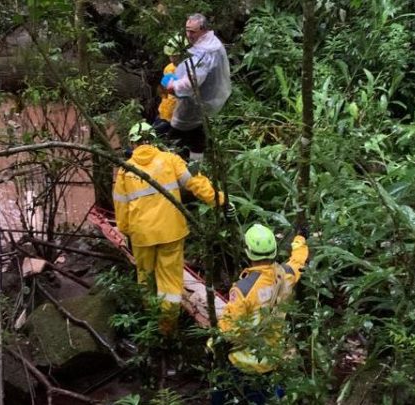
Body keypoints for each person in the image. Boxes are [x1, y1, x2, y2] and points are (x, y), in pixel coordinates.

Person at [113, 121, 235, 336]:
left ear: (133, 143)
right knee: (170, 283)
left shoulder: (125, 171)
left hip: (142, 236)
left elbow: (121, 208)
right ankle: (168, 328)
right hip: (171, 232)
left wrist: (126, 232)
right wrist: (221, 201)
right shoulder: (170, 160)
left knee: (146, 279)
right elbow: (196, 183)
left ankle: (151, 324)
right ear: (154, 139)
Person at [211, 224, 309, 404]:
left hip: (243, 363)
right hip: (271, 357)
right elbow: (298, 261)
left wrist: (211, 343)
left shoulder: (243, 289)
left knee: (220, 393)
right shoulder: (285, 275)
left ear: (248, 252)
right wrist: (300, 239)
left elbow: (230, 331)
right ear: (273, 251)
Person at [166, 13, 231, 161]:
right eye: (187, 30)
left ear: (203, 29)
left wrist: (173, 86)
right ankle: (197, 170)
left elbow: (193, 81)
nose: (189, 35)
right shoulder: (211, 42)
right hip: (206, 100)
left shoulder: (206, 52)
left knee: (175, 137)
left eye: (192, 31)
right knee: (196, 137)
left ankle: (178, 171)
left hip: (197, 101)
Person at [152, 35, 184, 135]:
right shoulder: (168, 68)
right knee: (154, 132)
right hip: (165, 110)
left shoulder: (188, 69)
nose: (171, 59)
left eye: (174, 56)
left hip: (179, 113)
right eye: (170, 56)